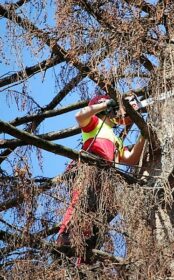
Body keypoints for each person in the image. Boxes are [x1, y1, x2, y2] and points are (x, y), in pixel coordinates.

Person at [56, 93, 146, 260]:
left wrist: (145, 133)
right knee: (81, 204)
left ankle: (87, 253)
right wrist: (105, 105)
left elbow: (130, 158)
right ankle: (65, 240)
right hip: (89, 170)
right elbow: (80, 116)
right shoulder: (95, 124)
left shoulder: (116, 139)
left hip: (105, 179)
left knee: (102, 214)